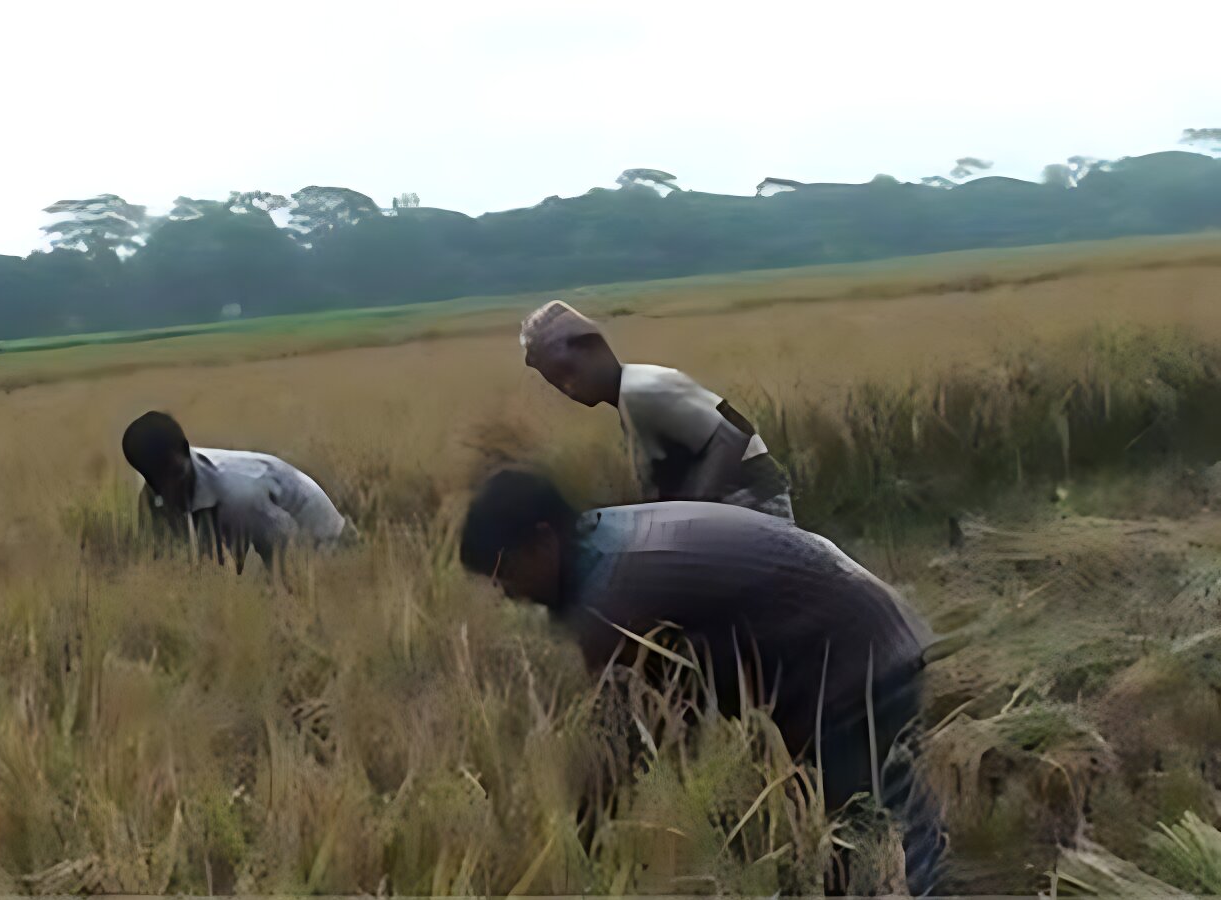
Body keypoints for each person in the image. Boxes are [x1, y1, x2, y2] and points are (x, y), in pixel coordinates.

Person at [458, 469, 945, 896]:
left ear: (542, 543)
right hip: (854, 641)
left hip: (857, 659)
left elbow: (621, 745)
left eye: (505, 574)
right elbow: (676, 706)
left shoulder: (610, 595)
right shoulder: (604, 536)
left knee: (872, 838)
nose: (505, 593)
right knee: (848, 827)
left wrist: (579, 850)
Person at [519, 300, 794, 519]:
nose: (568, 388)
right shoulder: (631, 397)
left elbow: (734, 437)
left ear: (596, 347)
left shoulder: (642, 391)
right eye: (556, 382)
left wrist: (692, 514)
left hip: (755, 504)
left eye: (568, 371)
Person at [120, 411, 352, 574]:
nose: (170, 489)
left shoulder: (238, 493)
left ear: (185, 451)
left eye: (174, 475)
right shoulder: (156, 488)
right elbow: (166, 559)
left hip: (322, 536)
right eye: (158, 482)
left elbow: (286, 552)